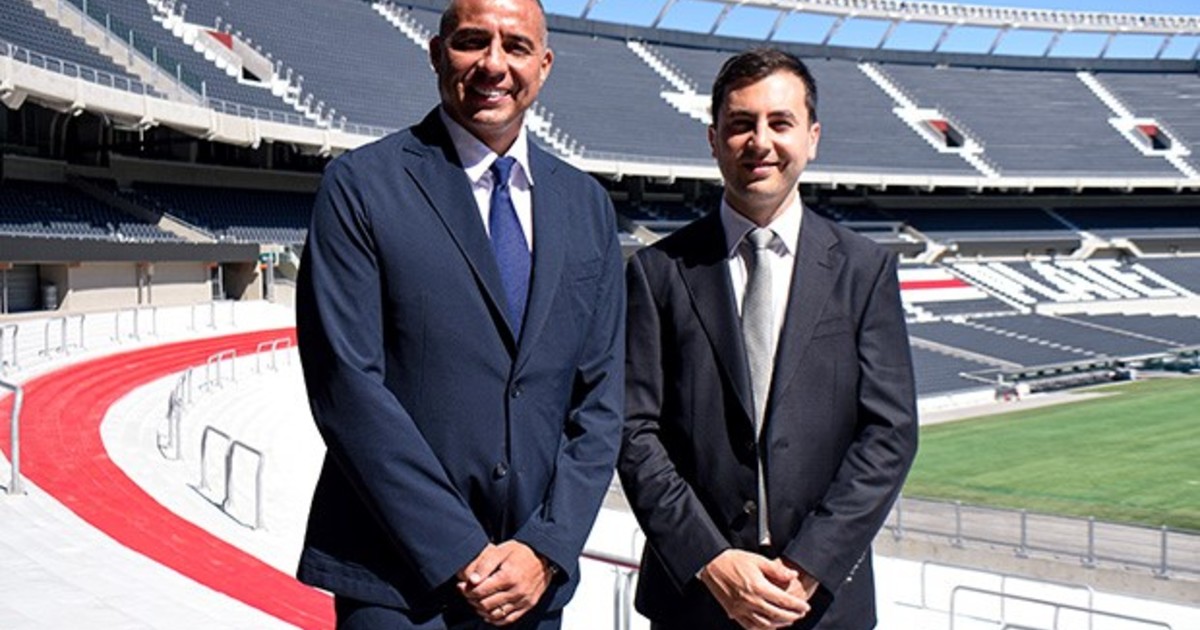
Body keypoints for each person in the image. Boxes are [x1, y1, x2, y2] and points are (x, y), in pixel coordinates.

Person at [294, 0, 625, 627]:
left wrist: (546, 547)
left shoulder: (587, 206)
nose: (493, 65)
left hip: (531, 584)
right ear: (437, 53)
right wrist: (461, 551)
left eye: (516, 46)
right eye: (473, 41)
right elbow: (347, 385)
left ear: (544, 65)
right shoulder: (361, 185)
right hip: (396, 582)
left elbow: (602, 401)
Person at [618, 48, 918, 629]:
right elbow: (633, 432)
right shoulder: (658, 273)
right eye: (741, 123)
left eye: (780, 122)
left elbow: (890, 433)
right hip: (694, 603)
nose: (760, 141)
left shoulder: (864, 270)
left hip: (820, 604)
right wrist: (710, 559)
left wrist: (810, 564)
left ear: (812, 138)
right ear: (713, 140)